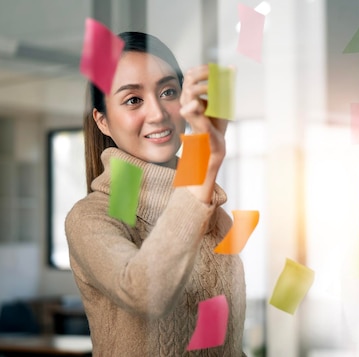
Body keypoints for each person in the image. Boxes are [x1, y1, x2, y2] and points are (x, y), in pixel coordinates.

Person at [65, 32, 246, 356]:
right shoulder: (91, 217)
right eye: (133, 99)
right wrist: (201, 163)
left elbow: (225, 346)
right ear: (102, 121)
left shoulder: (216, 218)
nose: (159, 113)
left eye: (168, 92)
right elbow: (143, 291)